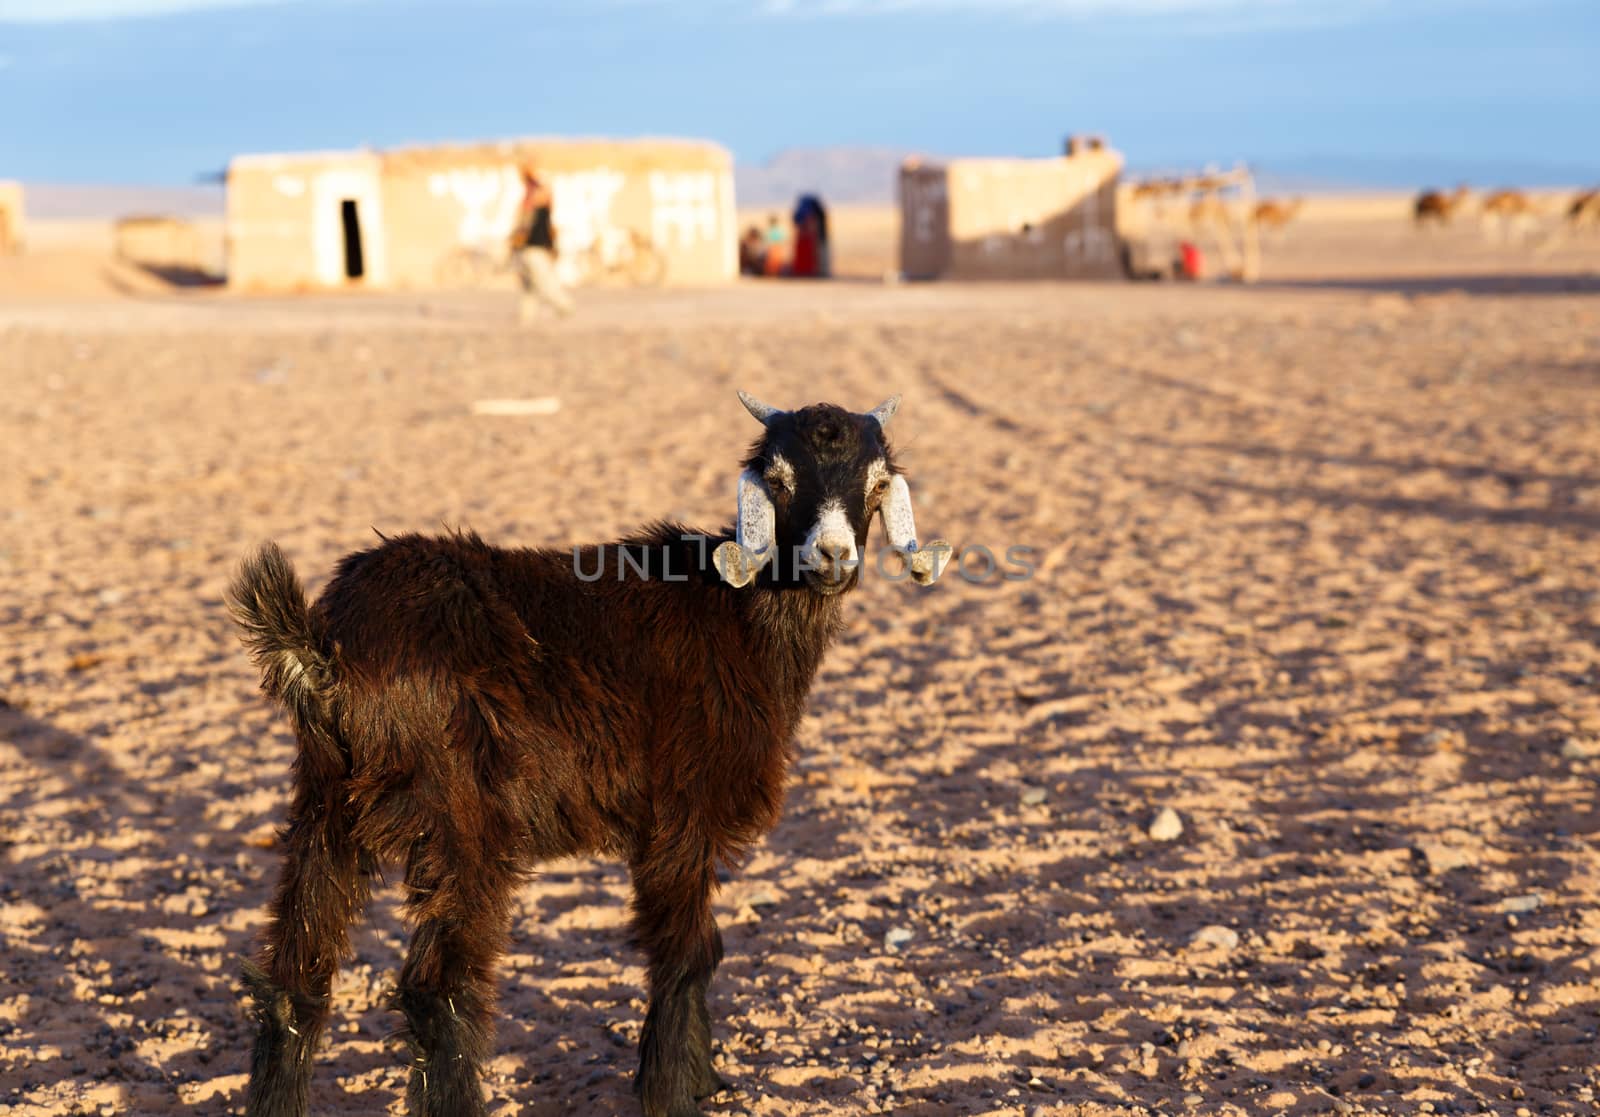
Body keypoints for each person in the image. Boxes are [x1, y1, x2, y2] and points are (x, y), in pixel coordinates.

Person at [509, 165, 574, 321]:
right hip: (527, 251)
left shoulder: (542, 208)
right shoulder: (530, 208)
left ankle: (565, 307)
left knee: (543, 283)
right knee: (530, 286)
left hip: (535, 251)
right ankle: (527, 317)